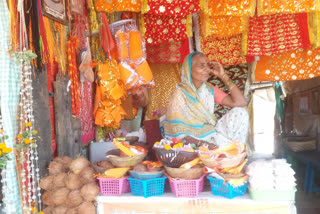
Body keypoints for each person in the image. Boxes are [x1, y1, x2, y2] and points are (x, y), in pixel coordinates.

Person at [164, 51, 249, 147]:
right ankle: (221, 150)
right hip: (189, 141)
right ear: (189, 69)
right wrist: (199, 143)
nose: (208, 69)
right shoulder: (180, 93)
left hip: (210, 135)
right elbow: (177, 131)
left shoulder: (209, 90)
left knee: (240, 112)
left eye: (208, 65)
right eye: (201, 65)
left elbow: (240, 102)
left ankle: (232, 152)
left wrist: (223, 76)